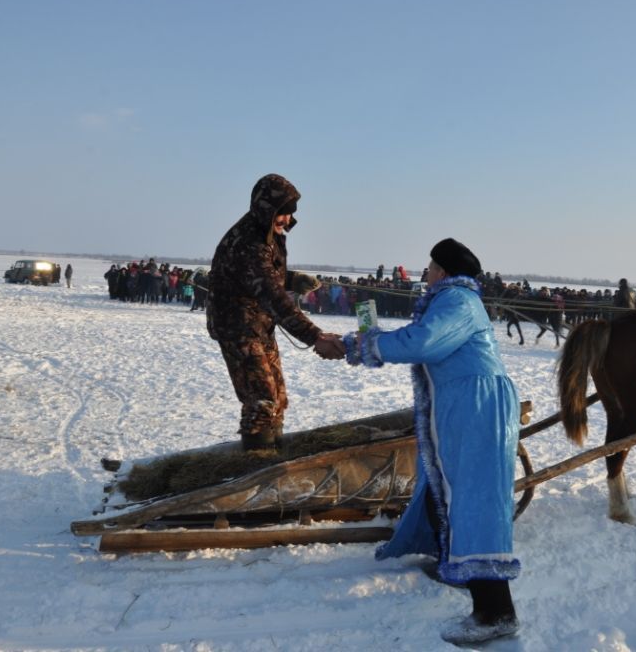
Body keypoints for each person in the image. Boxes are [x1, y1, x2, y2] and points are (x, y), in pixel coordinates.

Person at [344, 237, 521, 645]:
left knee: (475, 500)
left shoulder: (457, 299)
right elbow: (420, 336)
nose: (425, 274)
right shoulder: (454, 300)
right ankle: (454, 562)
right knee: (448, 488)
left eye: (429, 267)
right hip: (464, 403)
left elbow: (423, 341)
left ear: (443, 271)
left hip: (477, 406)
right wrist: (366, 343)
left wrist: (366, 345)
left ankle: (497, 611)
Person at [207, 173, 344, 449]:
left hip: (259, 324)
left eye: (290, 214)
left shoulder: (268, 232)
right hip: (238, 328)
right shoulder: (249, 242)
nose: (287, 220)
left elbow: (267, 276)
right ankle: (257, 461)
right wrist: (315, 336)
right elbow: (270, 293)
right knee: (262, 396)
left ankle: (273, 447)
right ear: (266, 209)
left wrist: (292, 279)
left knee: (278, 396)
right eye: (281, 214)